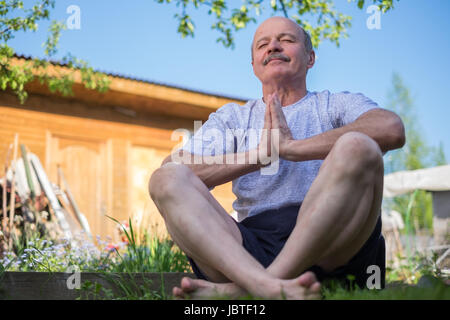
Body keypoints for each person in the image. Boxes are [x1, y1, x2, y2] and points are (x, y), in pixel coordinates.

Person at [148, 16, 405, 300]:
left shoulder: (335, 104)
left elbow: (391, 129)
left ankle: (249, 289)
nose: (272, 47)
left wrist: (292, 148)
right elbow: (172, 170)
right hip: (251, 249)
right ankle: (269, 287)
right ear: (254, 64)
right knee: (166, 177)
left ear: (310, 58)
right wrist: (259, 155)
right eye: (262, 45)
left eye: (286, 40)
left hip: (335, 245)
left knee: (359, 145)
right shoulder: (233, 117)